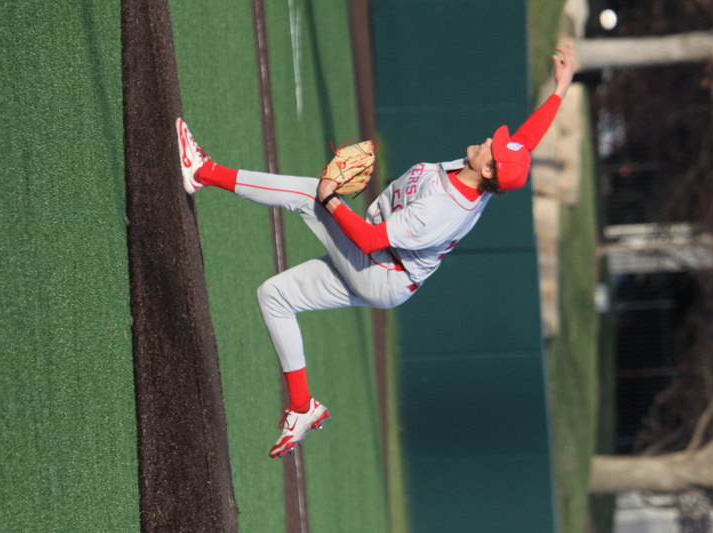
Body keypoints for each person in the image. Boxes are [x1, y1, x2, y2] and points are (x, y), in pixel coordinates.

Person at [176, 44, 576, 458]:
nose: (493, 138)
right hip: (383, 268)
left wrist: (330, 199)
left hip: (381, 270)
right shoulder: (484, 175)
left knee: (308, 195)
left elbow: (368, 240)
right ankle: (302, 406)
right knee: (274, 296)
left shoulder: (443, 210)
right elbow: (524, 144)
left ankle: (201, 171)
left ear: (489, 169)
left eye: (495, 147)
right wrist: (560, 89)